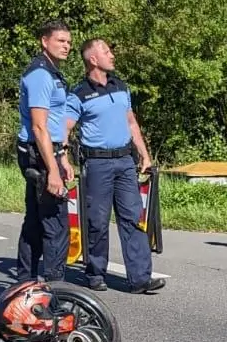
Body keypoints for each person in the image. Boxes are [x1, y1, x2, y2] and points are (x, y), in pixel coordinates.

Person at [64, 39, 161, 294]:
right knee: (97, 220)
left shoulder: (120, 87)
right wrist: (62, 158)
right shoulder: (79, 94)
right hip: (97, 164)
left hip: (125, 162)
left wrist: (144, 155)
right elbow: (65, 128)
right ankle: (95, 273)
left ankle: (140, 278)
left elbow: (131, 123)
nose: (112, 55)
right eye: (106, 52)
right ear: (93, 59)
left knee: (133, 217)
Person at [16, 20, 76, 282]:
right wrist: (52, 170)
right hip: (39, 153)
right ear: (44, 41)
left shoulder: (52, 72)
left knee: (35, 221)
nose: (66, 46)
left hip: (48, 151)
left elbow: (57, 119)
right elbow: (40, 127)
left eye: (69, 42)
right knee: (55, 223)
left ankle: (24, 283)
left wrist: (63, 156)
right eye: (61, 41)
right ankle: (55, 289)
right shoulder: (40, 74)